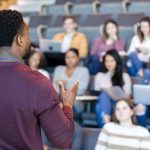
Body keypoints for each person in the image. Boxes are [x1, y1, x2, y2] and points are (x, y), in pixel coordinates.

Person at [0, 9, 79, 149]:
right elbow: (62, 139)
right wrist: (67, 105)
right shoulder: (37, 82)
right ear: (20, 40)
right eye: (28, 35)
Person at [94, 49, 132, 127]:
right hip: (103, 101)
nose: (109, 63)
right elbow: (96, 92)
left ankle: (106, 127)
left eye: (112, 61)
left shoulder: (124, 76)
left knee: (99, 106)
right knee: (103, 96)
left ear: (117, 61)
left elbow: (128, 95)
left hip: (118, 103)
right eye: (107, 61)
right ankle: (106, 121)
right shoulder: (99, 76)